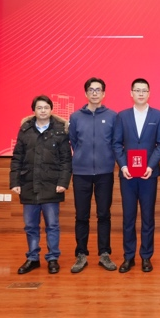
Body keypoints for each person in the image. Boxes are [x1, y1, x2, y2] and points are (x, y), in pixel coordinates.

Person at [10, 95, 72, 275]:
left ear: (51, 110)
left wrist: (63, 182)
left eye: (46, 107)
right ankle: (33, 258)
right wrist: (15, 181)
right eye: (39, 108)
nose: (43, 111)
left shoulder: (60, 130)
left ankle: (52, 258)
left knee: (52, 225)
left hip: (52, 185)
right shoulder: (25, 130)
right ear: (34, 110)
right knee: (30, 226)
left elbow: (66, 160)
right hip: (28, 184)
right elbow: (17, 158)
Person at [113, 78, 160, 273]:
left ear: (149, 93)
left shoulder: (158, 115)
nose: (141, 93)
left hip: (148, 176)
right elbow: (116, 143)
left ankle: (146, 256)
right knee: (128, 218)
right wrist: (123, 165)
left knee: (147, 217)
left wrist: (151, 166)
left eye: (144, 90)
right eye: (137, 90)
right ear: (131, 93)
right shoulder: (122, 116)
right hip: (128, 175)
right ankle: (129, 257)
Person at [68, 77, 118, 274]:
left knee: (104, 214)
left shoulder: (113, 116)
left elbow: (115, 142)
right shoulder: (76, 117)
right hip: (81, 173)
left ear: (104, 93)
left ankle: (104, 253)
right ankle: (81, 254)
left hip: (105, 172)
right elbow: (73, 141)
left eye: (98, 90)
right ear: (86, 93)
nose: (95, 93)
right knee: (81, 215)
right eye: (91, 89)